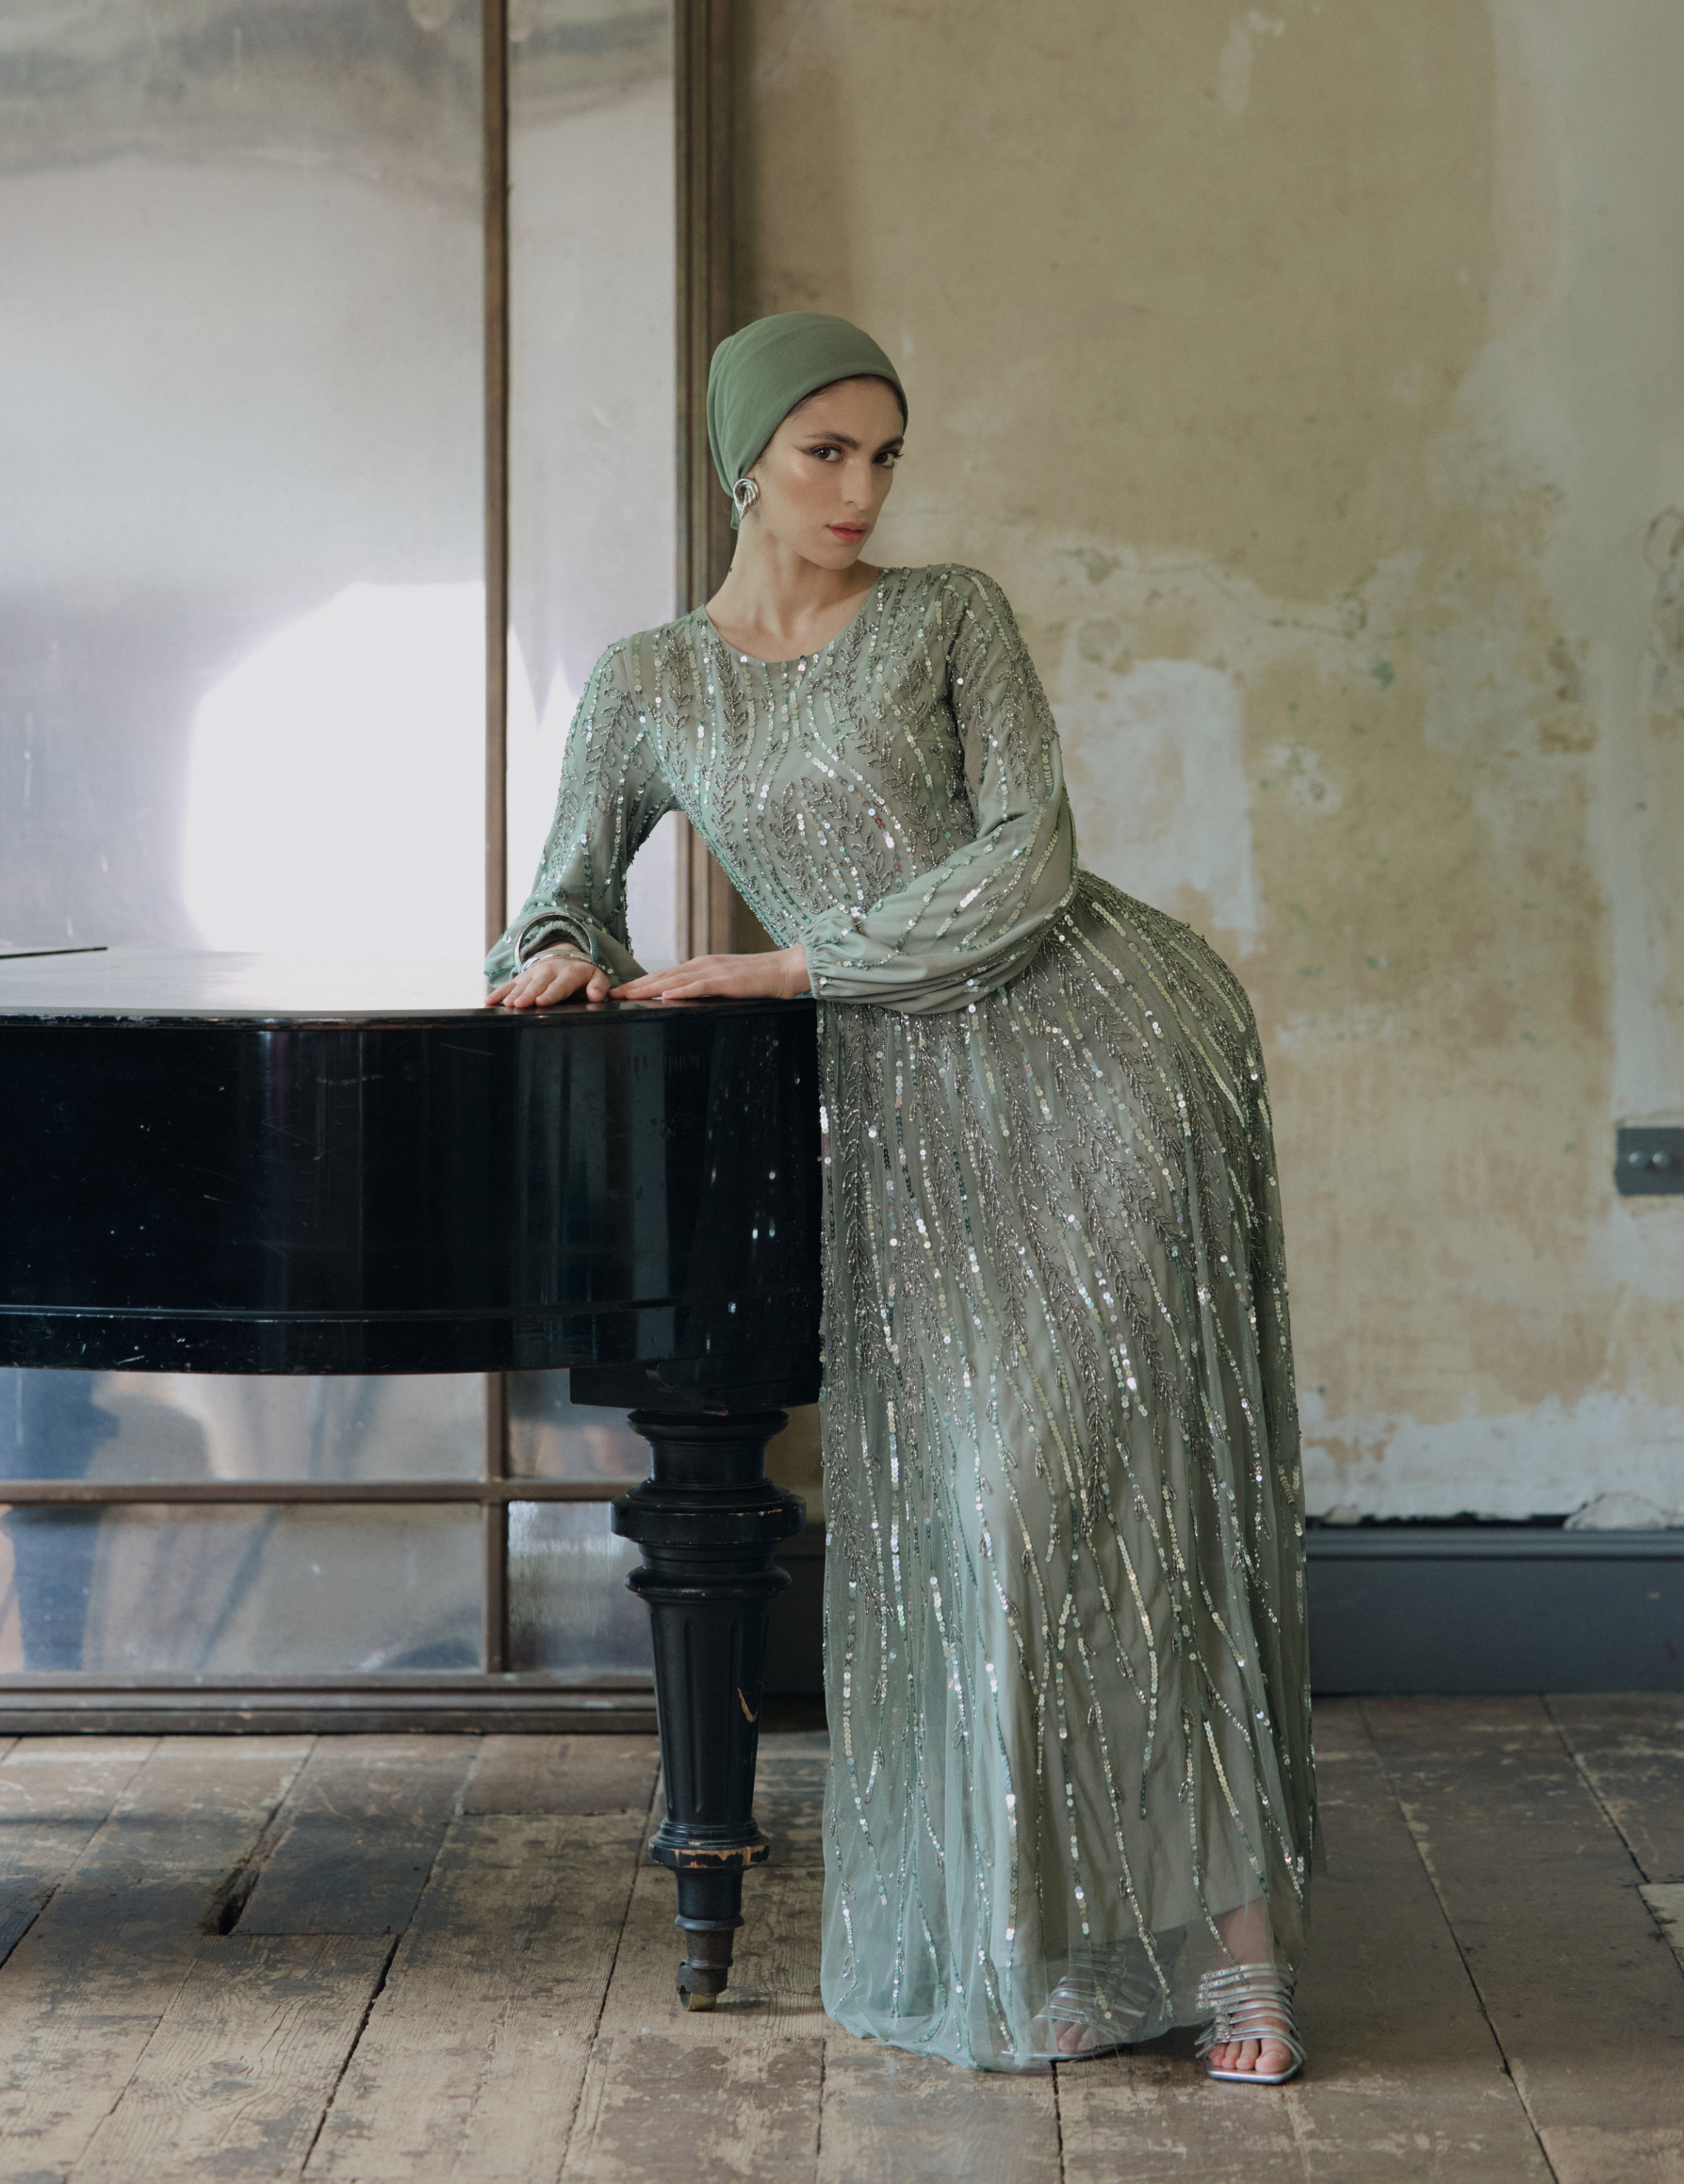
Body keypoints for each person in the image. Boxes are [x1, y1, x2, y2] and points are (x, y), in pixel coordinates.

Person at [486, 312, 1314, 2079]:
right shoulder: (650, 682)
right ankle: (1038, 1940)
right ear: (743, 465)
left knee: (1141, 1512)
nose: (861, 490)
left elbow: (1031, 859)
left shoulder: (951, 621)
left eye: (883, 455)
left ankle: (1243, 1961)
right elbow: (561, 889)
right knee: (979, 1523)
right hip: (912, 1138)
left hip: (1103, 1065)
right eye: (823, 454)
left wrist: (789, 969)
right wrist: (562, 950)